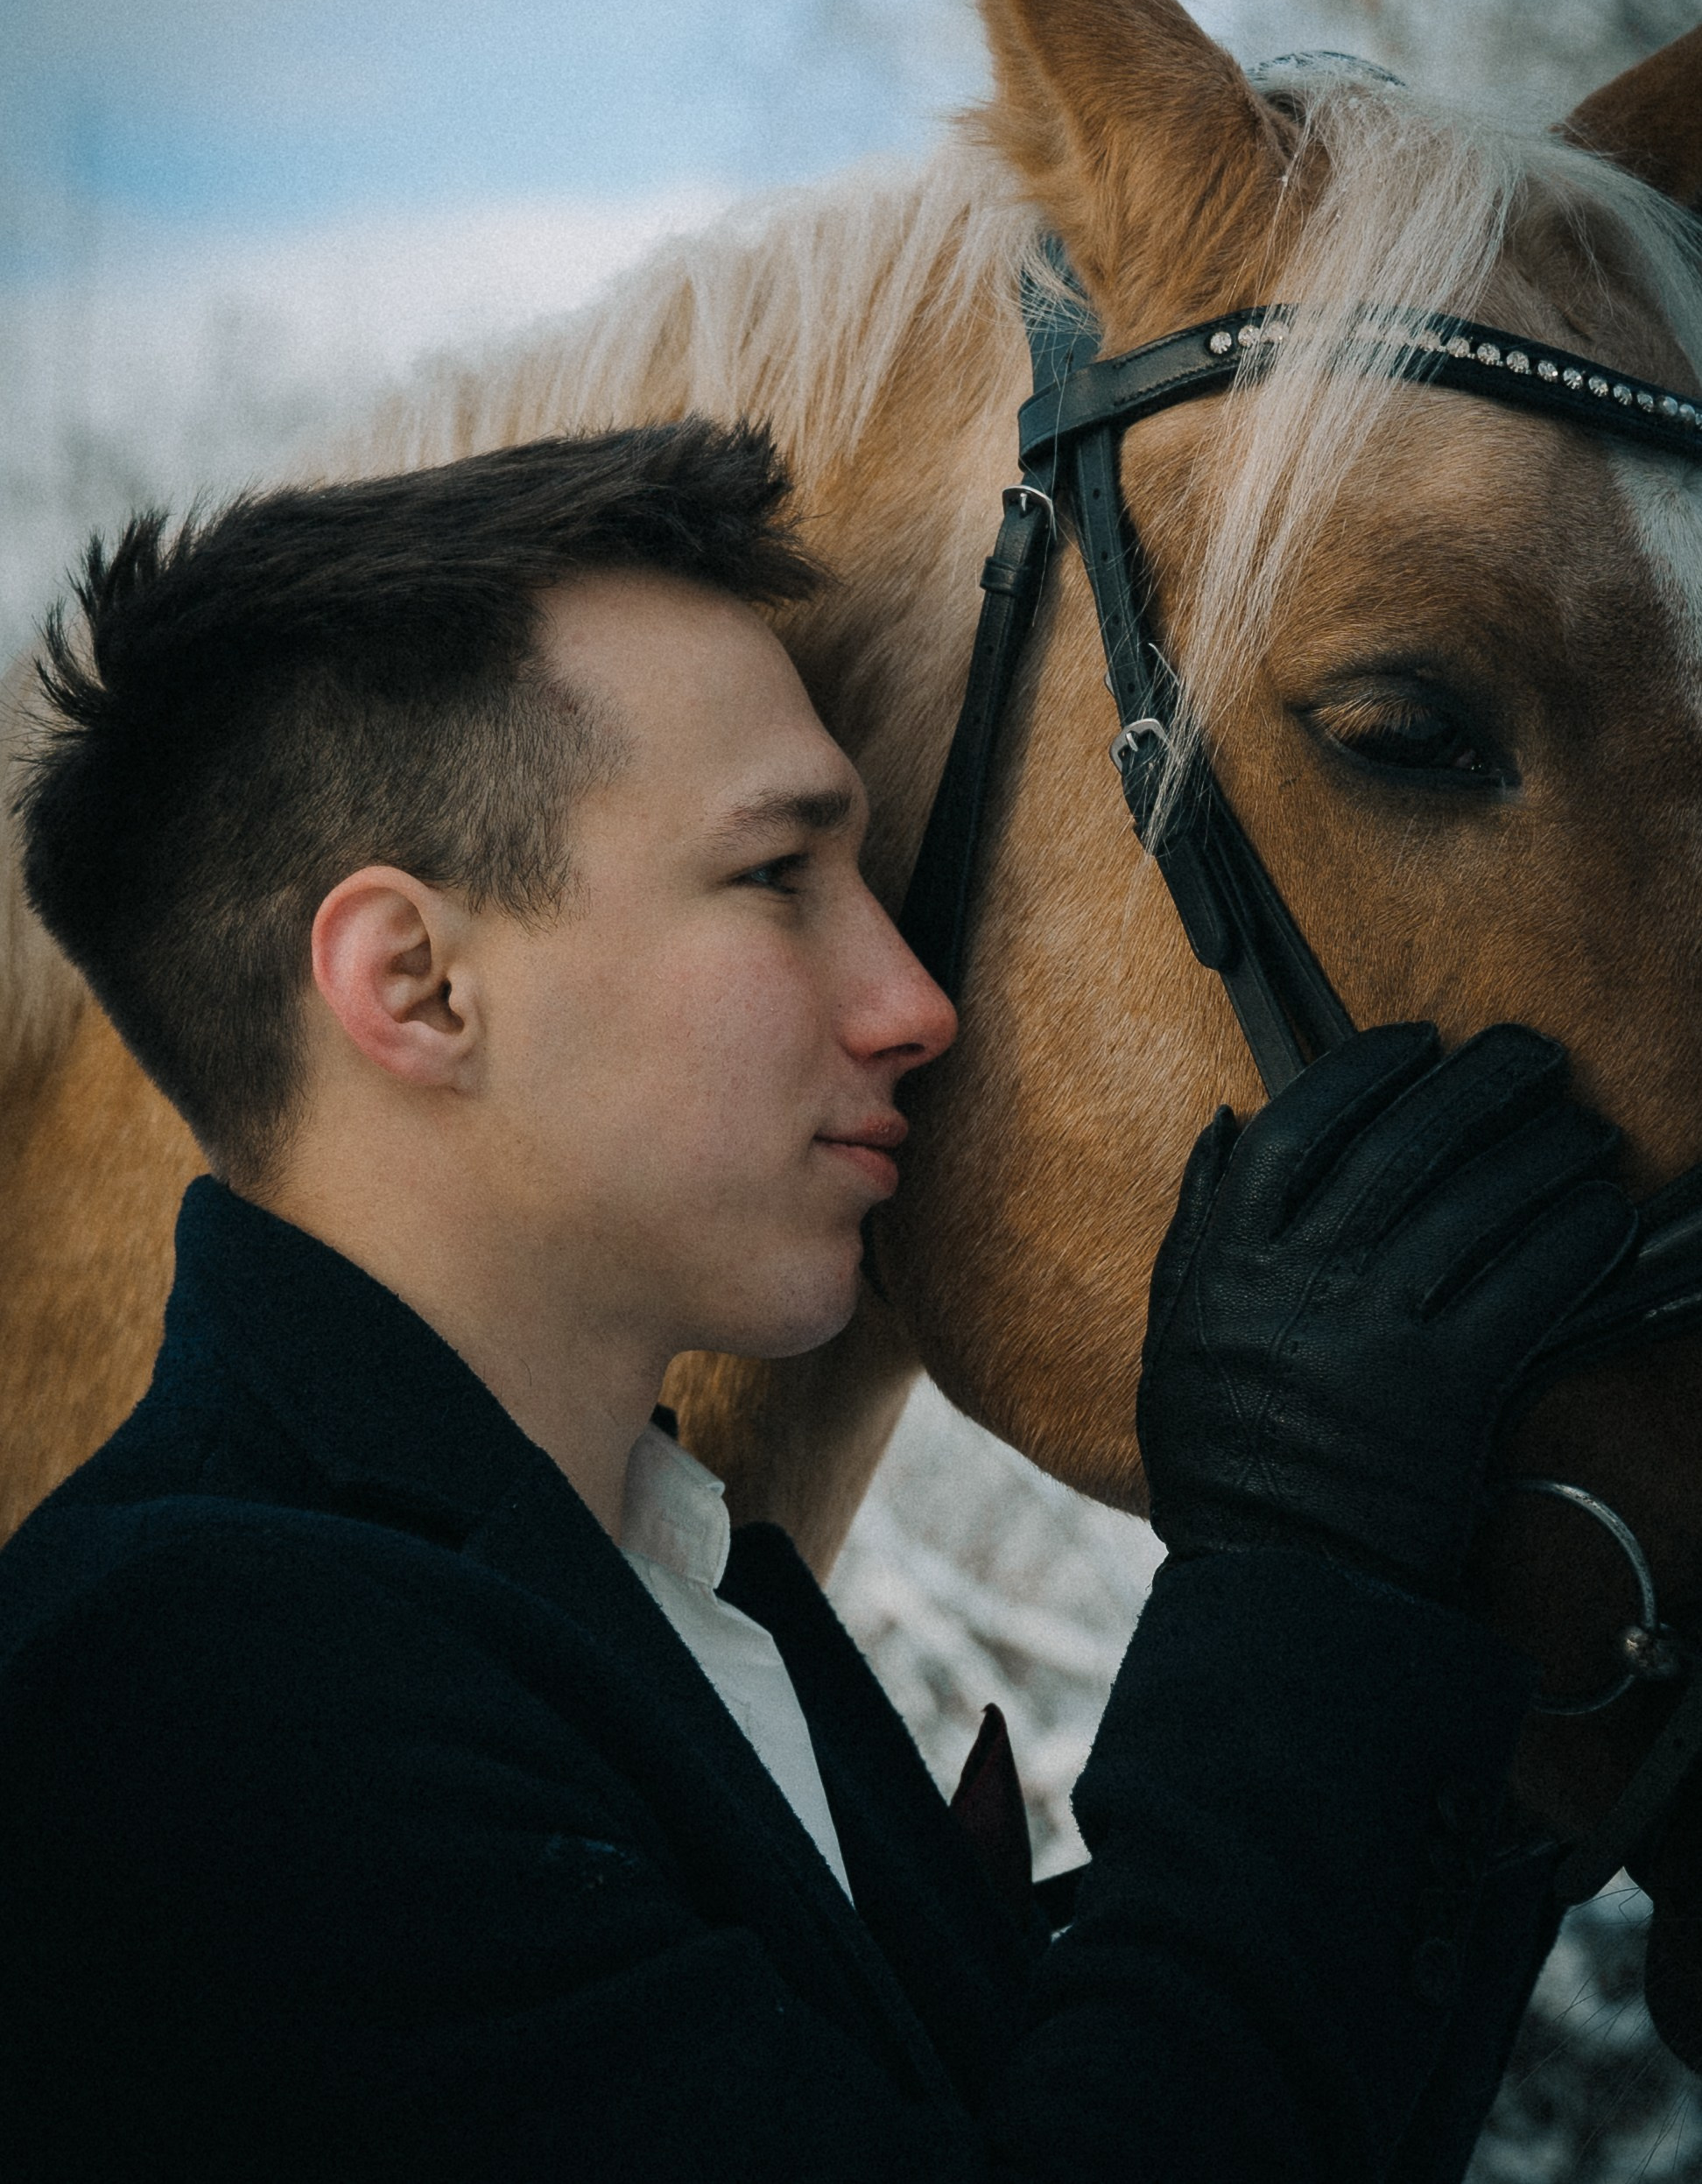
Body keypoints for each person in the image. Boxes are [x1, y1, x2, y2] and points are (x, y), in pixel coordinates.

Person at [0, 421, 1644, 2183]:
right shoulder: (201, 1689)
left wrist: (1467, 1634)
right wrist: (1310, 1583)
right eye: (780, 874)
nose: (912, 1001)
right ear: (417, 985)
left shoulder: (673, 1608)